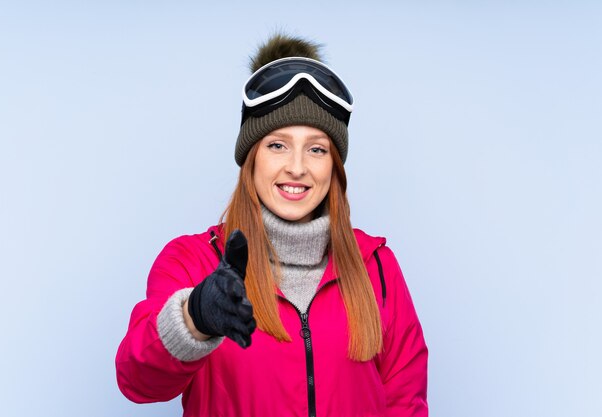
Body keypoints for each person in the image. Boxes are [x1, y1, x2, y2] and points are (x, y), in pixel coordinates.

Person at [116, 34, 428, 417]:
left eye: (316, 148)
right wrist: (194, 317)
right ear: (252, 158)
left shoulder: (377, 267)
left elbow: (404, 402)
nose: (297, 167)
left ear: (334, 166)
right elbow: (137, 381)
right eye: (277, 145)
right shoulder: (192, 261)